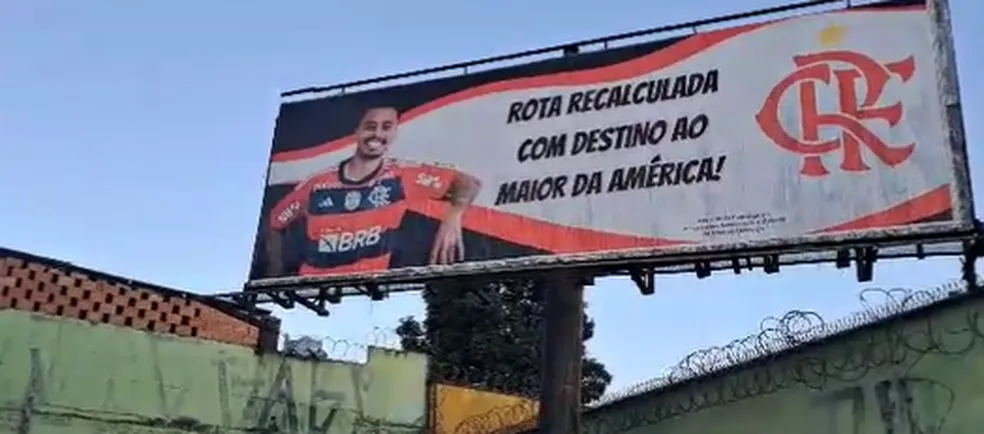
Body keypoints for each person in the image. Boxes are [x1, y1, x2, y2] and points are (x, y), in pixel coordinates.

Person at [263, 106, 482, 277]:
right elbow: (275, 223)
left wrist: (453, 216)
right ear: (357, 131)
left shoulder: (401, 176)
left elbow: (467, 183)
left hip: (372, 281)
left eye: (386, 127)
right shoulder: (316, 184)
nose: (377, 134)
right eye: (370, 126)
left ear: (395, 132)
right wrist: (274, 275)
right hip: (311, 282)